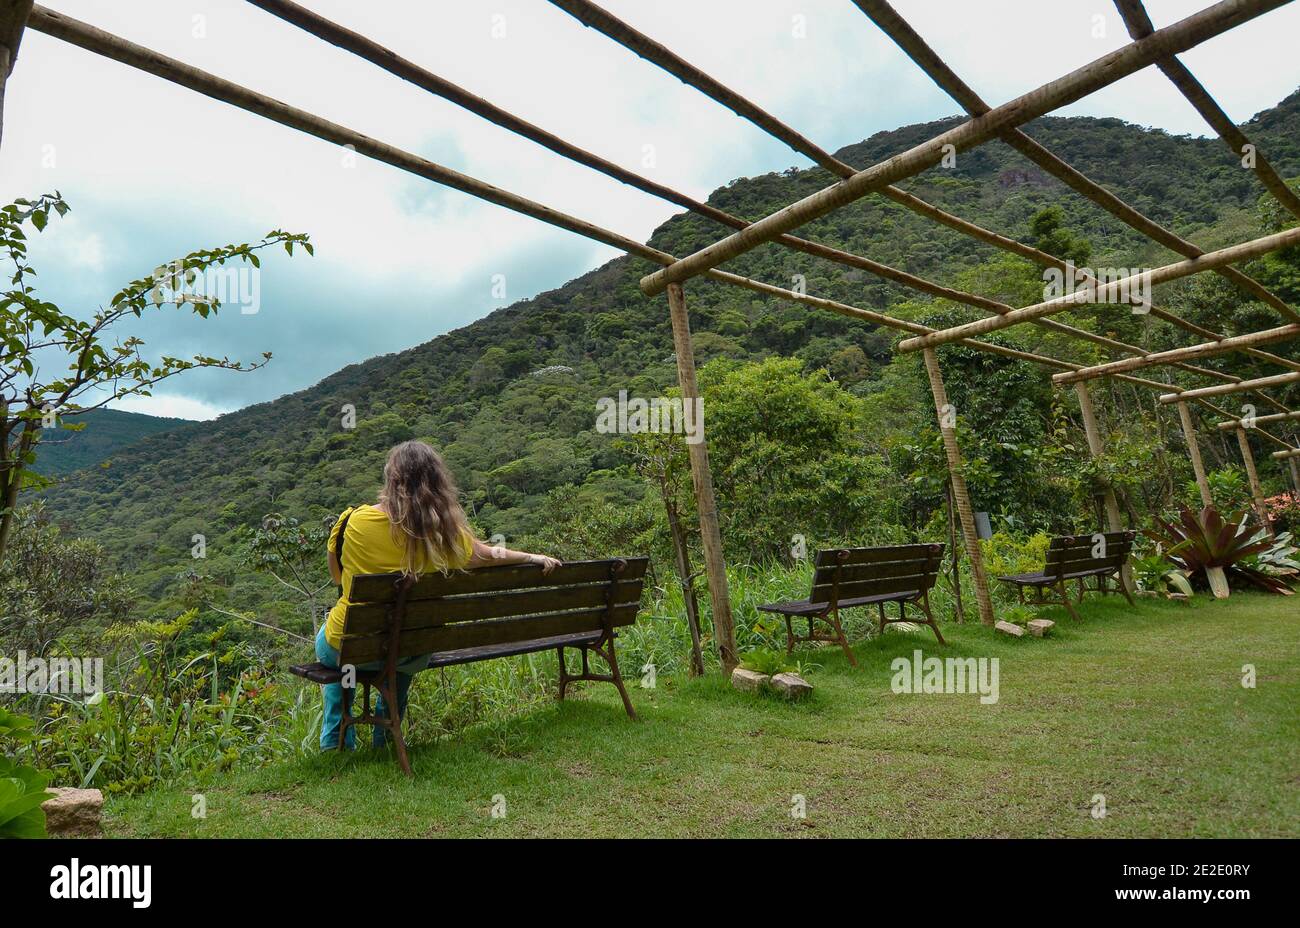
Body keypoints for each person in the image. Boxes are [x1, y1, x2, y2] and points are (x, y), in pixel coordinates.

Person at [317, 439, 561, 750]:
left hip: (349, 649)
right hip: (409, 650)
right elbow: (489, 555)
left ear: (391, 479)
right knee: (402, 647)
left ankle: (336, 743)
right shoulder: (443, 535)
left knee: (338, 642)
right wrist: (530, 557)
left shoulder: (352, 521)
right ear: (437, 483)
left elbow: (336, 577)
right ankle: (386, 742)